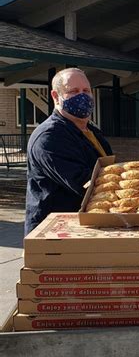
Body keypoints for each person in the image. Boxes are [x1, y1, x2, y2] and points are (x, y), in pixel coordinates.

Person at [25, 67, 112, 235]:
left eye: (86, 90)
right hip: (54, 234)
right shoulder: (49, 137)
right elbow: (83, 183)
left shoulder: (91, 131)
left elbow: (108, 169)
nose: (83, 96)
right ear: (56, 96)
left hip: (85, 227)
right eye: (73, 91)